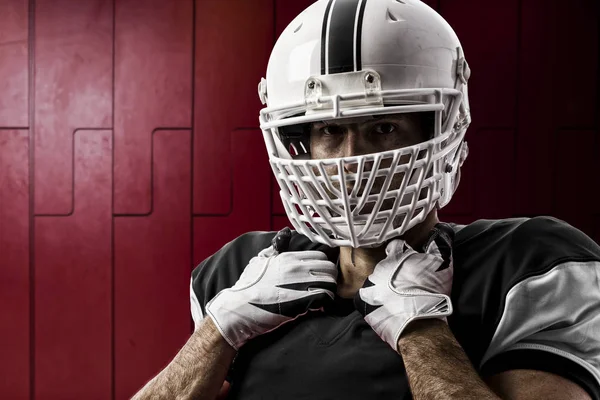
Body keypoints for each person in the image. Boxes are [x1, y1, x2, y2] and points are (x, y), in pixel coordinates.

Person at [132, 0, 600, 399]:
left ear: (441, 131)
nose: (353, 160)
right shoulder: (237, 273)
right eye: (331, 130)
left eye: (383, 128)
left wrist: (421, 332)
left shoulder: (523, 268)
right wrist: (219, 331)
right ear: (301, 142)